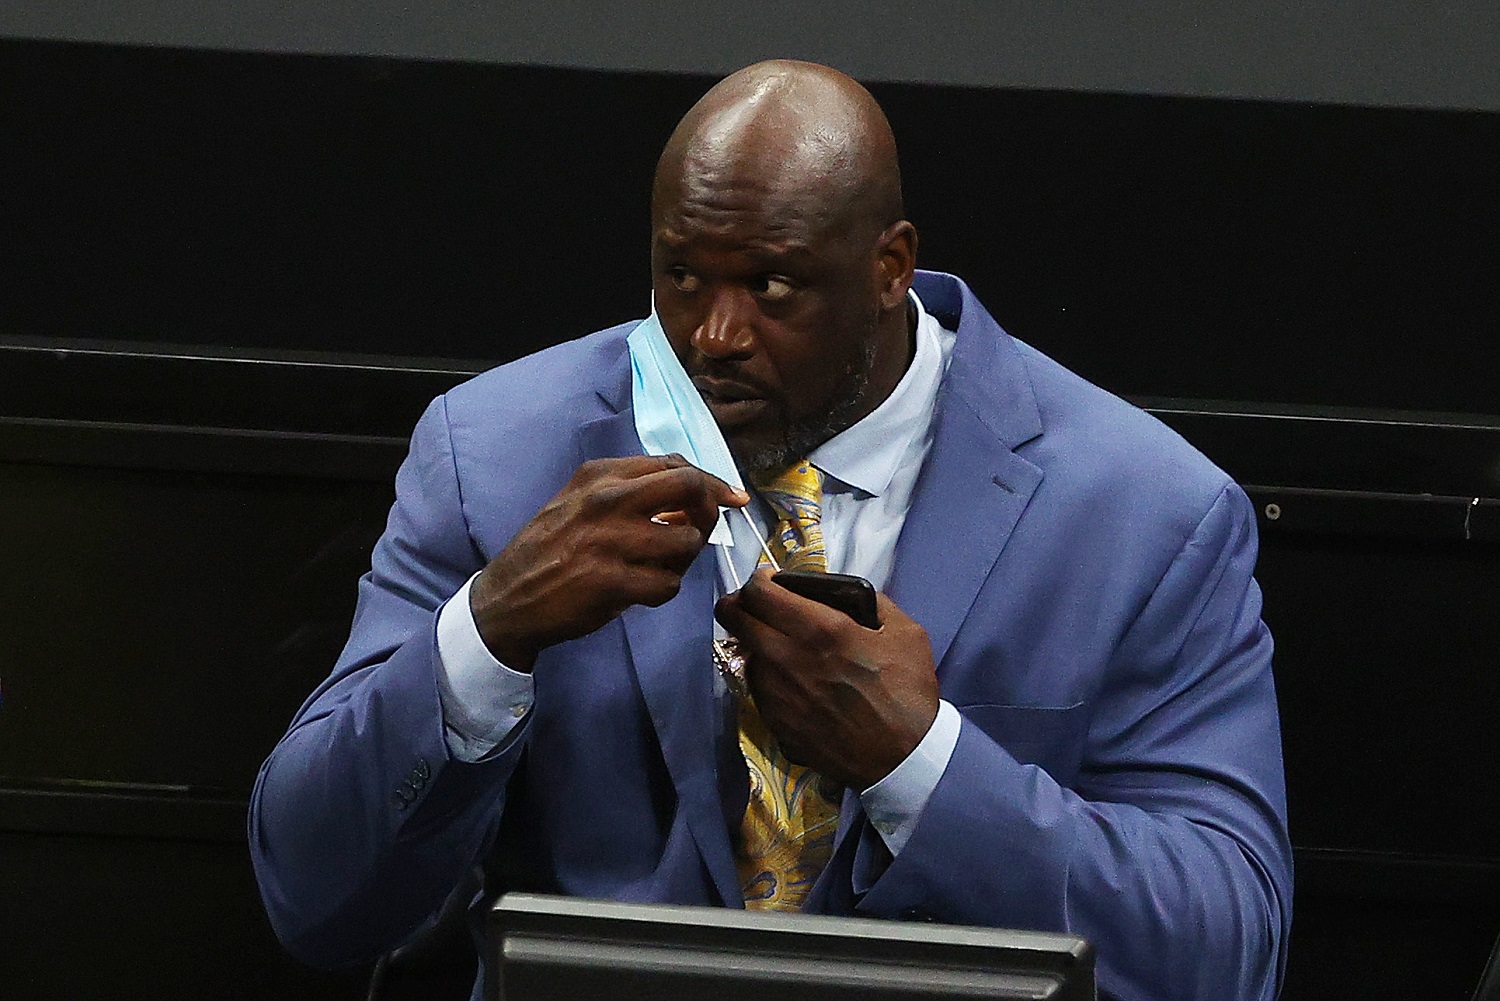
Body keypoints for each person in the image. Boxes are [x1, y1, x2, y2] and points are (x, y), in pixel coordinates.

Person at [250, 60, 1292, 1001]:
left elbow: (1225, 955)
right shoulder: (495, 457)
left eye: (772, 284)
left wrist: (922, 762)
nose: (714, 336)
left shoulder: (1145, 512)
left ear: (890, 268)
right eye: (682, 277)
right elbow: (313, 895)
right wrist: (487, 635)